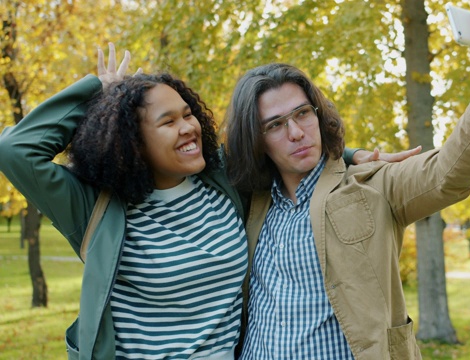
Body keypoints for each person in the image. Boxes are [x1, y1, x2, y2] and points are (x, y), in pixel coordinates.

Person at [0, 43, 415, 358]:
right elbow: (16, 151)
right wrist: (100, 92)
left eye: (188, 114)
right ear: (132, 141)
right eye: (168, 121)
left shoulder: (221, 180)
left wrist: (349, 154)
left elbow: (282, 146)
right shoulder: (95, 208)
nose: (188, 128)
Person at [224, 3, 470, 359]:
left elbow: (449, 172)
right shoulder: (249, 201)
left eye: (303, 114)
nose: (296, 133)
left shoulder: (371, 184)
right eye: (275, 125)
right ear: (255, 138)